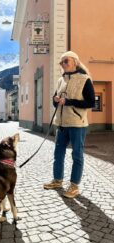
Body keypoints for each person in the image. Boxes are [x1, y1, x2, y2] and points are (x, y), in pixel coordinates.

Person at [44, 51, 95, 198]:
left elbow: (90, 103)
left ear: (75, 62)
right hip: (61, 123)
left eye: (65, 61)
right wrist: (56, 100)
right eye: (61, 62)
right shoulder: (61, 80)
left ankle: (74, 186)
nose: (63, 64)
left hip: (77, 124)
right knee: (58, 154)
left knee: (77, 155)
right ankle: (57, 180)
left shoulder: (85, 79)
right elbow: (56, 104)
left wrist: (69, 102)